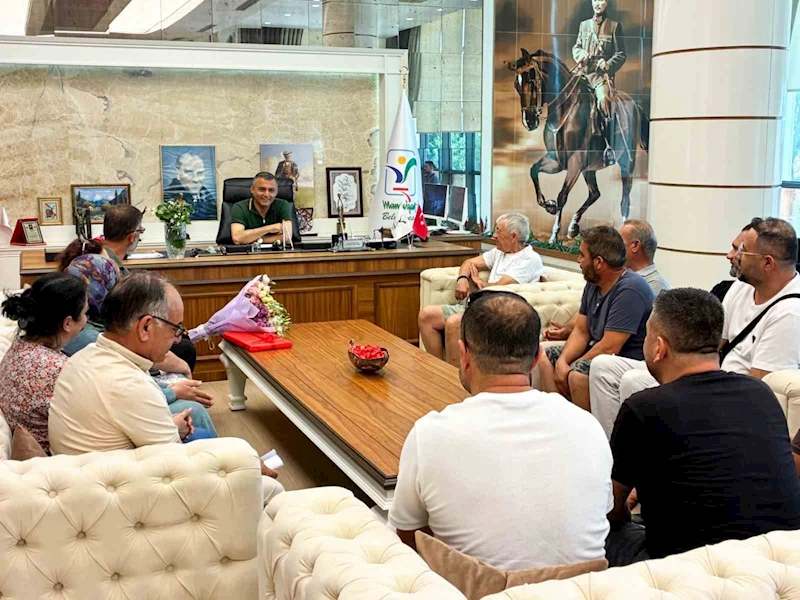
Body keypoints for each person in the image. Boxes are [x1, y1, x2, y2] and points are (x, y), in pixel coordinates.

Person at [390, 290, 613, 570]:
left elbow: (409, 537)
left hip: (475, 588)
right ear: (537, 357)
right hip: (582, 587)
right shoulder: (589, 426)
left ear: (463, 355)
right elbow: (602, 514)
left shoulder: (428, 435)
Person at [606, 288, 800, 566]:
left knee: (598, 532)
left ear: (659, 347)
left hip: (694, 569)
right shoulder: (761, 392)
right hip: (778, 560)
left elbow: (612, 509)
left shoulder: (643, 408)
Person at [612, 218, 800, 413]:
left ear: (767, 263)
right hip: (710, 375)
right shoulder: (741, 287)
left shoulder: (790, 314)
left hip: (730, 398)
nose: (734, 256)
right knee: (609, 369)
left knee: (634, 382)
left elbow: (758, 389)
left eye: (742, 251)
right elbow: (710, 344)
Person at [49, 271, 215, 454]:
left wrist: (169, 426)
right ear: (145, 327)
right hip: (113, 471)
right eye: (176, 329)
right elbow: (172, 462)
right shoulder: (132, 384)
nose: (177, 339)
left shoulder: (83, 356)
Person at [538, 225, 653, 411]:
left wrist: (571, 366)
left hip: (623, 361)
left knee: (576, 374)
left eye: (582, 255)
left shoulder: (631, 289)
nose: (579, 260)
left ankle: (584, 426)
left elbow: (610, 347)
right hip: (597, 351)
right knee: (543, 356)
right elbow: (581, 331)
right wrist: (562, 362)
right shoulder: (593, 283)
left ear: (599, 262)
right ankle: (555, 416)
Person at [418, 213, 545, 366]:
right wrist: (463, 279)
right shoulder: (499, 252)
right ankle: (439, 369)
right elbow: (469, 263)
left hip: (501, 313)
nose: (494, 235)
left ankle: (454, 377)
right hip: (481, 305)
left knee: (454, 323)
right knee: (426, 315)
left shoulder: (529, 259)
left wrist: (481, 283)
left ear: (513, 236)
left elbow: (502, 287)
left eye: (498, 231)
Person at [101, 204, 197, 374]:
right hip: (124, 339)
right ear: (133, 237)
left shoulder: (102, 257)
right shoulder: (107, 268)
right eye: (141, 231)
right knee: (184, 347)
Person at [0, 273, 88, 453]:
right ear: (68, 323)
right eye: (85, 313)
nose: (86, 320)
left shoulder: (19, 347)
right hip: (55, 460)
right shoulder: (60, 370)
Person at [543, 219, 667, 345]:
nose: (612, 245)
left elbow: (611, 342)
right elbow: (588, 315)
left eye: (619, 241)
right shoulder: (602, 278)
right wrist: (567, 329)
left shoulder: (651, 286)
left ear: (635, 246)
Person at [573, 0, 626, 165]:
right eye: (595, 0)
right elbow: (576, 46)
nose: (597, 3)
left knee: (603, 100)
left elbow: (621, 53)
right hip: (583, 73)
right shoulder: (584, 25)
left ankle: (609, 145)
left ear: (606, 3)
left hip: (601, 76)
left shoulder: (614, 26)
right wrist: (581, 53)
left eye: (601, 0)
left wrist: (608, 64)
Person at [230, 172, 294, 245]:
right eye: (262, 189)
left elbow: (287, 237)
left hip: (276, 251)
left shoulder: (283, 205)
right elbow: (237, 238)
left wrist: (258, 240)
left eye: (271, 190)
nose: (266, 194)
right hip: (247, 251)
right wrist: (270, 228)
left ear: (276, 192)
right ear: (252, 189)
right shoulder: (239, 207)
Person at [163, 152, 218, 220]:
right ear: (177, 173)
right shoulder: (167, 198)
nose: (196, 179)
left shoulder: (208, 198)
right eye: (189, 172)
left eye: (200, 173)